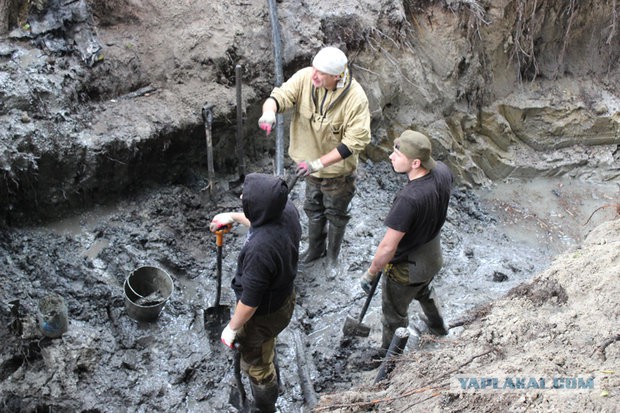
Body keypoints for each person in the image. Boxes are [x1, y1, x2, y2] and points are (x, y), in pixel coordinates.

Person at [258, 46, 371, 266]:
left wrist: (318, 163)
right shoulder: (305, 79)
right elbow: (280, 96)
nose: (314, 76)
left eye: (321, 73)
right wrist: (269, 112)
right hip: (308, 167)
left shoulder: (355, 99)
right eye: (314, 69)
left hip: (338, 173)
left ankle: (332, 257)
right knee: (313, 208)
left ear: (337, 76)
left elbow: (355, 141)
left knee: (336, 214)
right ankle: (315, 249)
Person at [210, 173, 301, 413]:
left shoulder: (260, 251)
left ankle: (265, 405)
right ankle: (267, 350)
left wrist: (231, 329)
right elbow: (260, 220)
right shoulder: (287, 210)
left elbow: (249, 303)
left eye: (246, 197)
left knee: (256, 363)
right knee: (265, 342)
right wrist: (233, 217)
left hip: (264, 314)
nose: (241, 196)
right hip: (284, 296)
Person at [358, 130, 453, 351]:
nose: (391, 157)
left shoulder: (408, 199)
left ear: (415, 162)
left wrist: (371, 272)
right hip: (431, 257)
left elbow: (388, 246)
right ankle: (439, 327)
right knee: (425, 290)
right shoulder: (442, 171)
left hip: (406, 270)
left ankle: (390, 356)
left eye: (397, 155)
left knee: (393, 315)